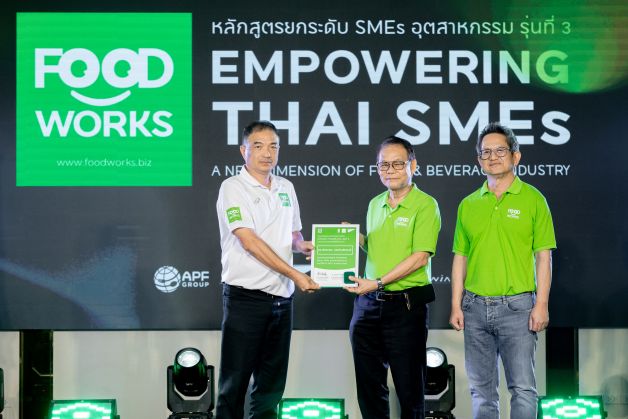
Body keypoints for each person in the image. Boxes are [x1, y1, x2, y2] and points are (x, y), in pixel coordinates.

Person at [449, 122, 556, 419]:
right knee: (481, 391)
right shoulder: (468, 204)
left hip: (518, 307)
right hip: (474, 307)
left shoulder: (534, 199)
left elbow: (544, 257)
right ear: (479, 160)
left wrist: (541, 304)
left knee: (522, 388)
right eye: (486, 152)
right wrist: (456, 304)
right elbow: (460, 257)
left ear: (515, 156)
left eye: (500, 151)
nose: (493, 157)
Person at [215, 120, 320, 419]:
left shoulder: (286, 187)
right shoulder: (233, 188)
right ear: (243, 151)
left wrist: (302, 245)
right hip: (245, 298)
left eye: (273, 146)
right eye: (258, 146)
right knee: (234, 385)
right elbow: (248, 241)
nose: (267, 153)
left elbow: (293, 234)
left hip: (281, 299)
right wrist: (296, 275)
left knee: (271, 388)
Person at [345, 136, 441, 419]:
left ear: (413, 165)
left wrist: (377, 282)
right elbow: (379, 249)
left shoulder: (426, 205)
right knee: (369, 389)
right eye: (383, 164)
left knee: (409, 390)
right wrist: (356, 240)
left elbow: (420, 257)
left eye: (397, 164)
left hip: (405, 307)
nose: (390, 170)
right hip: (367, 306)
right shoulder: (375, 203)